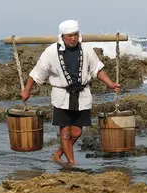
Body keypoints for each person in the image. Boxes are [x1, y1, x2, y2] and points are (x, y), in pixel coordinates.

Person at [20, 20, 120, 166]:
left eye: (76, 34)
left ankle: (57, 155)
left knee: (77, 133)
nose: (73, 38)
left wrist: (111, 83)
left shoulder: (86, 49)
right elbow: (36, 73)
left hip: (82, 95)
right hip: (62, 96)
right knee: (65, 132)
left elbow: (97, 69)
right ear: (62, 36)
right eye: (70, 36)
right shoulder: (51, 51)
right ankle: (72, 163)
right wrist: (26, 90)